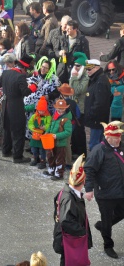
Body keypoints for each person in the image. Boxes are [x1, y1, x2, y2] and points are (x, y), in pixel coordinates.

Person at [84, 121, 124, 259]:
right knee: (107, 221)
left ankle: (102, 226)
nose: (118, 139)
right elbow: (89, 169)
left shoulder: (121, 148)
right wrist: (89, 189)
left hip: (120, 191)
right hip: (105, 193)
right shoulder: (98, 150)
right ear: (107, 137)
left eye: (119, 136)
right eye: (115, 137)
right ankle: (108, 245)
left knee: (121, 213)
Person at [53, 154, 92, 265]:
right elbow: (66, 221)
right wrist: (82, 232)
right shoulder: (69, 199)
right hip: (69, 241)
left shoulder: (65, 193)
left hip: (65, 239)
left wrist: (82, 195)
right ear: (83, 182)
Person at [0, 54, 35, 163]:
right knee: (18, 131)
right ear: (24, 68)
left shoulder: (5, 73)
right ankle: (18, 156)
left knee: (7, 129)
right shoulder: (20, 76)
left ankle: (6, 150)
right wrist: (33, 87)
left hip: (5, 104)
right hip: (16, 107)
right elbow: (25, 92)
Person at [24, 57, 60, 139]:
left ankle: (42, 143)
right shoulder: (36, 76)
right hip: (34, 107)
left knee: (43, 125)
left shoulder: (54, 78)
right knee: (33, 123)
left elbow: (57, 92)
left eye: (46, 68)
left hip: (46, 107)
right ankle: (33, 142)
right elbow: (28, 83)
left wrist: (48, 96)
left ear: (49, 69)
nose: (43, 69)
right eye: (42, 67)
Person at [83, 59, 111, 151]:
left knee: (95, 146)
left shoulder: (100, 81)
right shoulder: (95, 79)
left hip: (97, 120)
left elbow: (100, 103)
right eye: (86, 69)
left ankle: (95, 164)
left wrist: (91, 114)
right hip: (96, 120)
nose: (87, 71)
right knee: (96, 144)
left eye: (89, 69)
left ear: (97, 68)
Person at [43, 99, 72, 180]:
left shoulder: (66, 120)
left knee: (60, 158)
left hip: (60, 143)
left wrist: (57, 136)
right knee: (50, 156)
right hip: (51, 142)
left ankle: (59, 173)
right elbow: (50, 126)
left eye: (62, 109)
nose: (60, 110)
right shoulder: (54, 116)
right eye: (58, 108)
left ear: (65, 108)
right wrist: (47, 133)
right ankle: (51, 170)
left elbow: (68, 132)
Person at [28, 96, 51, 169]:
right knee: (34, 149)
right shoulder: (34, 116)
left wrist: (45, 127)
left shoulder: (48, 116)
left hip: (42, 136)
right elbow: (30, 123)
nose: (41, 112)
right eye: (40, 110)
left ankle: (43, 161)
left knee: (42, 150)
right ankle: (35, 159)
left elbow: (49, 124)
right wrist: (33, 128)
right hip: (35, 136)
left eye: (42, 111)